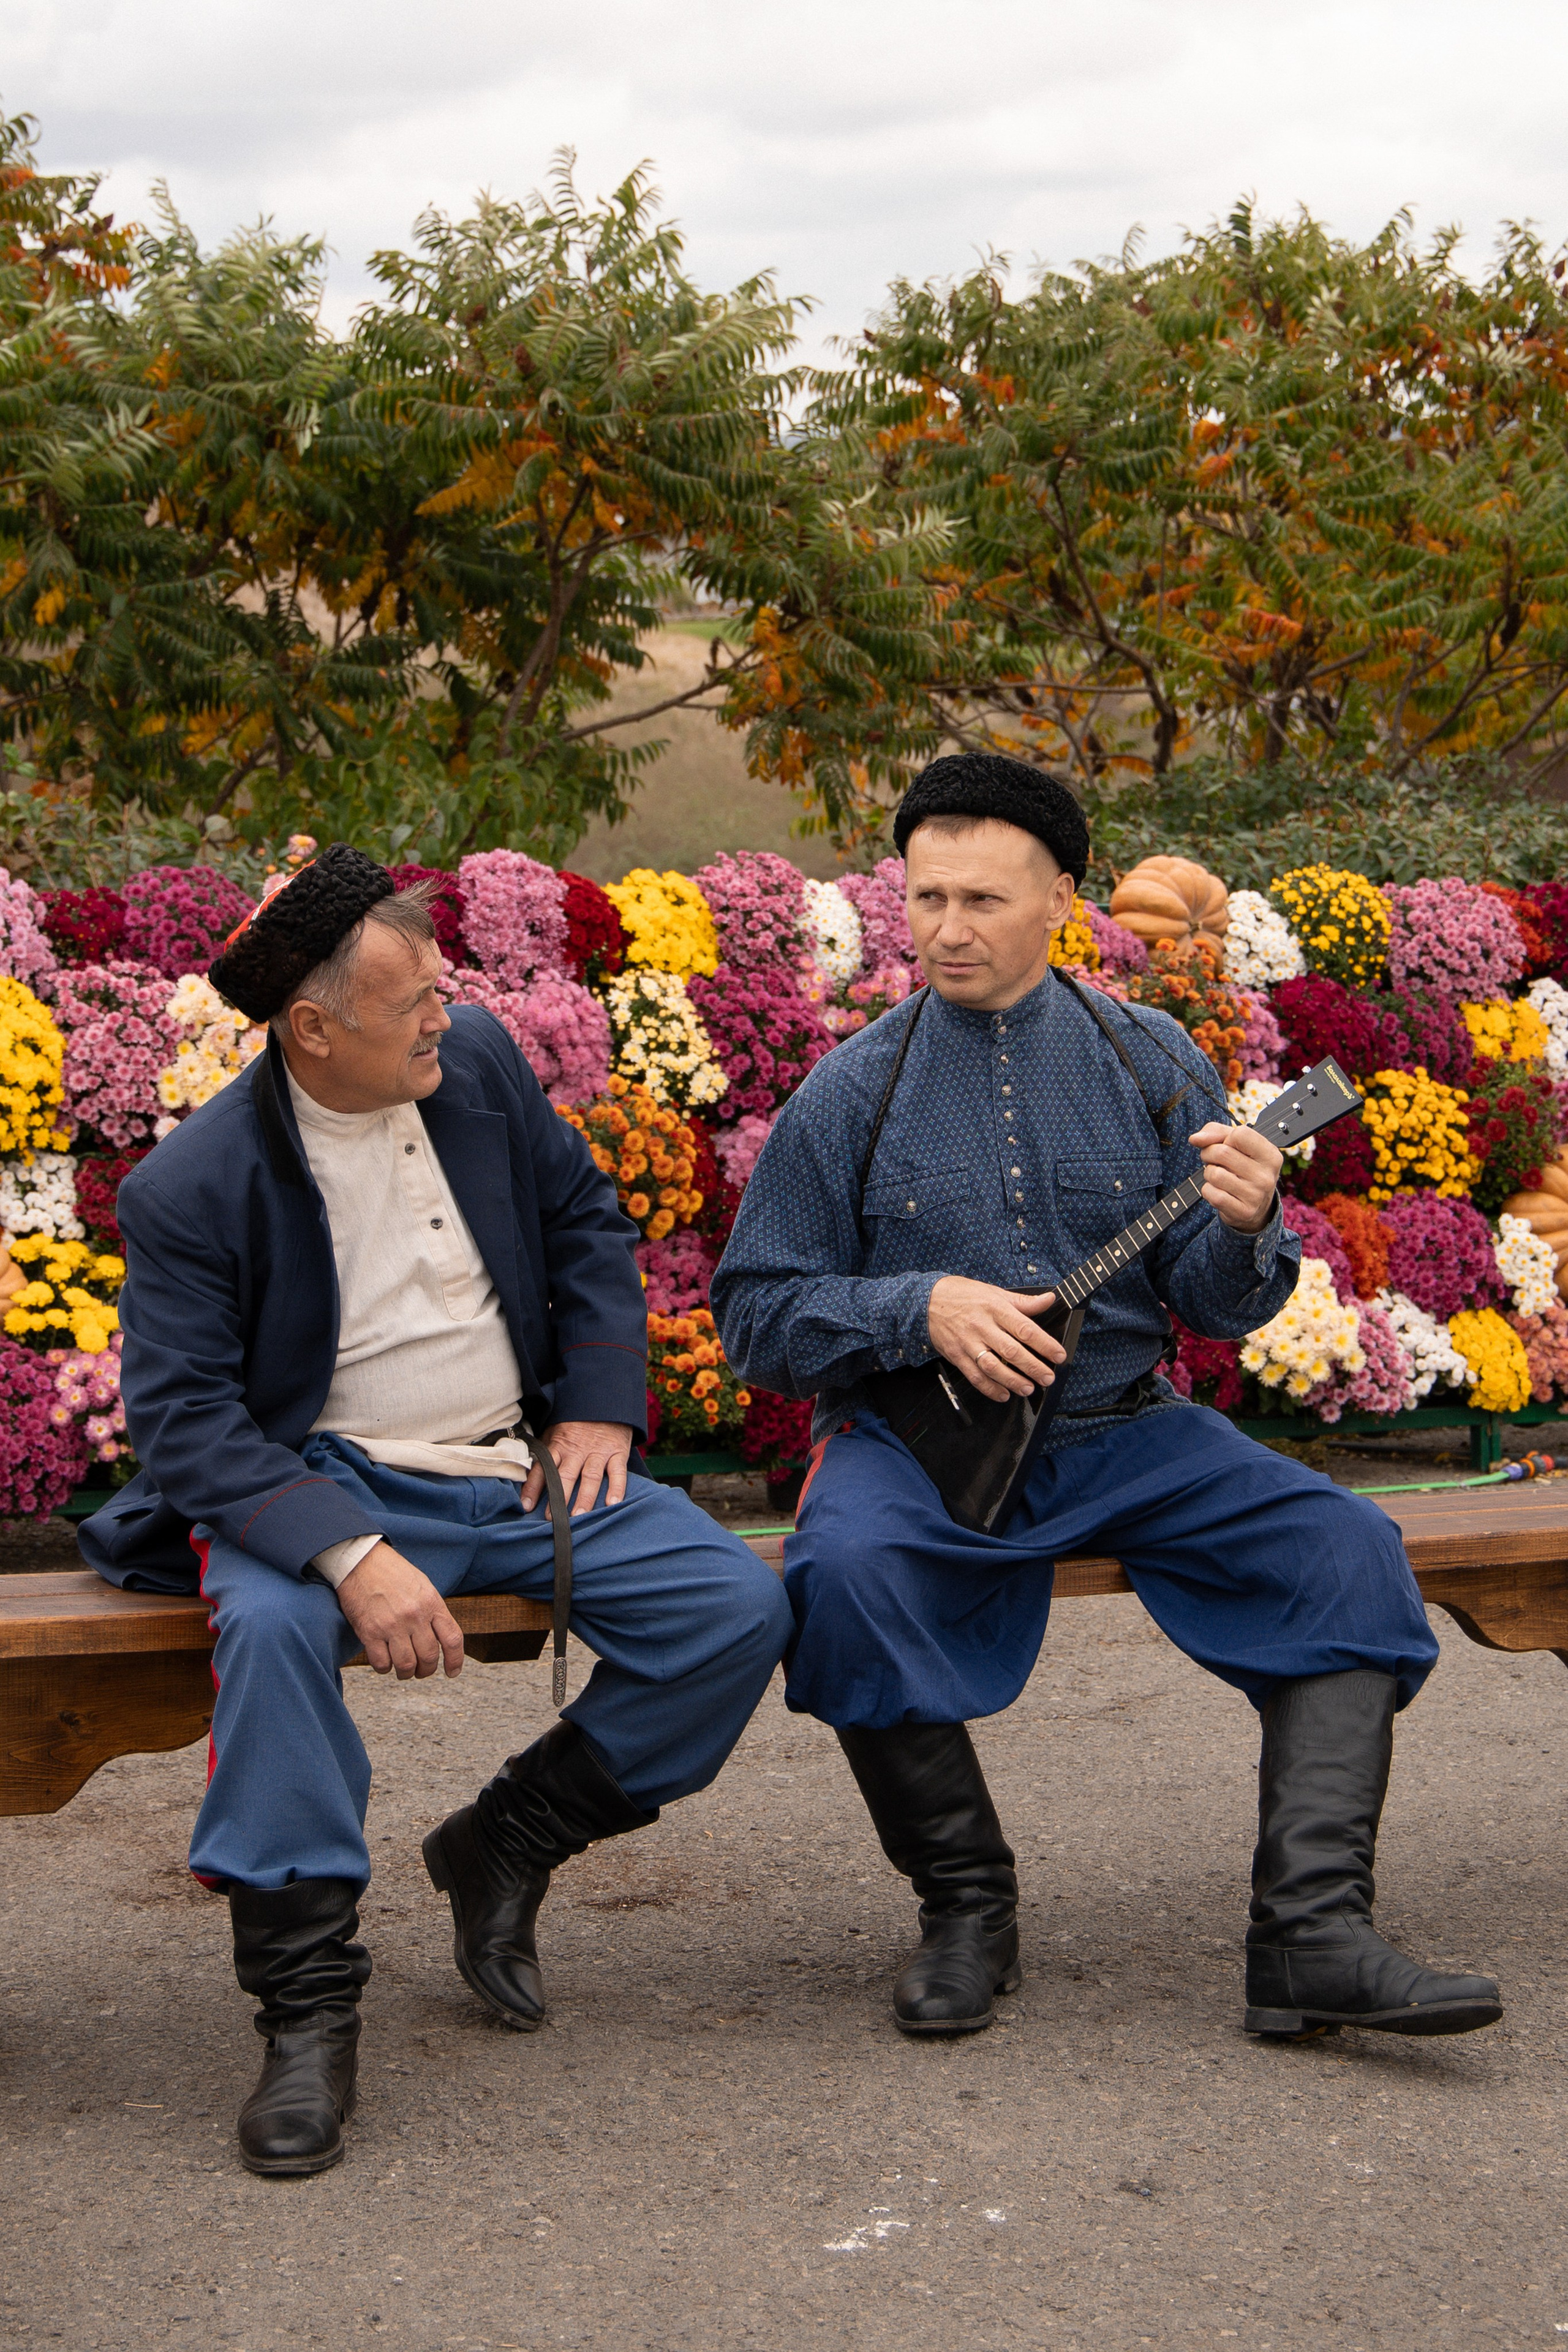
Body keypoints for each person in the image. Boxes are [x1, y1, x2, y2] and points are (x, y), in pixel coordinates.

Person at [712, 752, 1501, 2047]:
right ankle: (967, 1909)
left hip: (1123, 1425)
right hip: (914, 1442)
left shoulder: (1150, 1058)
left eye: (982, 900)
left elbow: (1219, 1306)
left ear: (1061, 901)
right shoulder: (847, 1090)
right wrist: (918, 1307)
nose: (947, 930)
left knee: (1346, 1546)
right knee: (841, 1574)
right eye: (926, 898)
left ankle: (1308, 1935)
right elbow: (755, 1316)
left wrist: (1243, 1225)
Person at [83, 846, 791, 2177]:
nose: (443, 1017)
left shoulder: (480, 1070)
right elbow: (185, 1423)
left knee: (734, 1606)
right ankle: (306, 2016)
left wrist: (597, 1404)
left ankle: (504, 1841)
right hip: (323, 1484)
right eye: (411, 1000)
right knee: (272, 1634)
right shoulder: (194, 1184)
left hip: (514, 1464)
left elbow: (583, 1219)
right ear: (312, 1028)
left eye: (441, 987)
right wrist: (349, 1553)